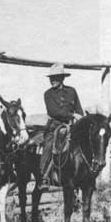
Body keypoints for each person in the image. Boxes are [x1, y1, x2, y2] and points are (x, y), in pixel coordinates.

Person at [38, 63, 83, 191]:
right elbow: (54, 112)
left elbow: (79, 108)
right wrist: (72, 114)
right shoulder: (48, 94)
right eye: (51, 78)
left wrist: (80, 117)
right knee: (48, 146)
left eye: (56, 77)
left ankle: (87, 175)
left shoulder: (71, 91)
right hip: (55, 127)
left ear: (62, 78)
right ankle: (44, 177)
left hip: (72, 126)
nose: (52, 80)